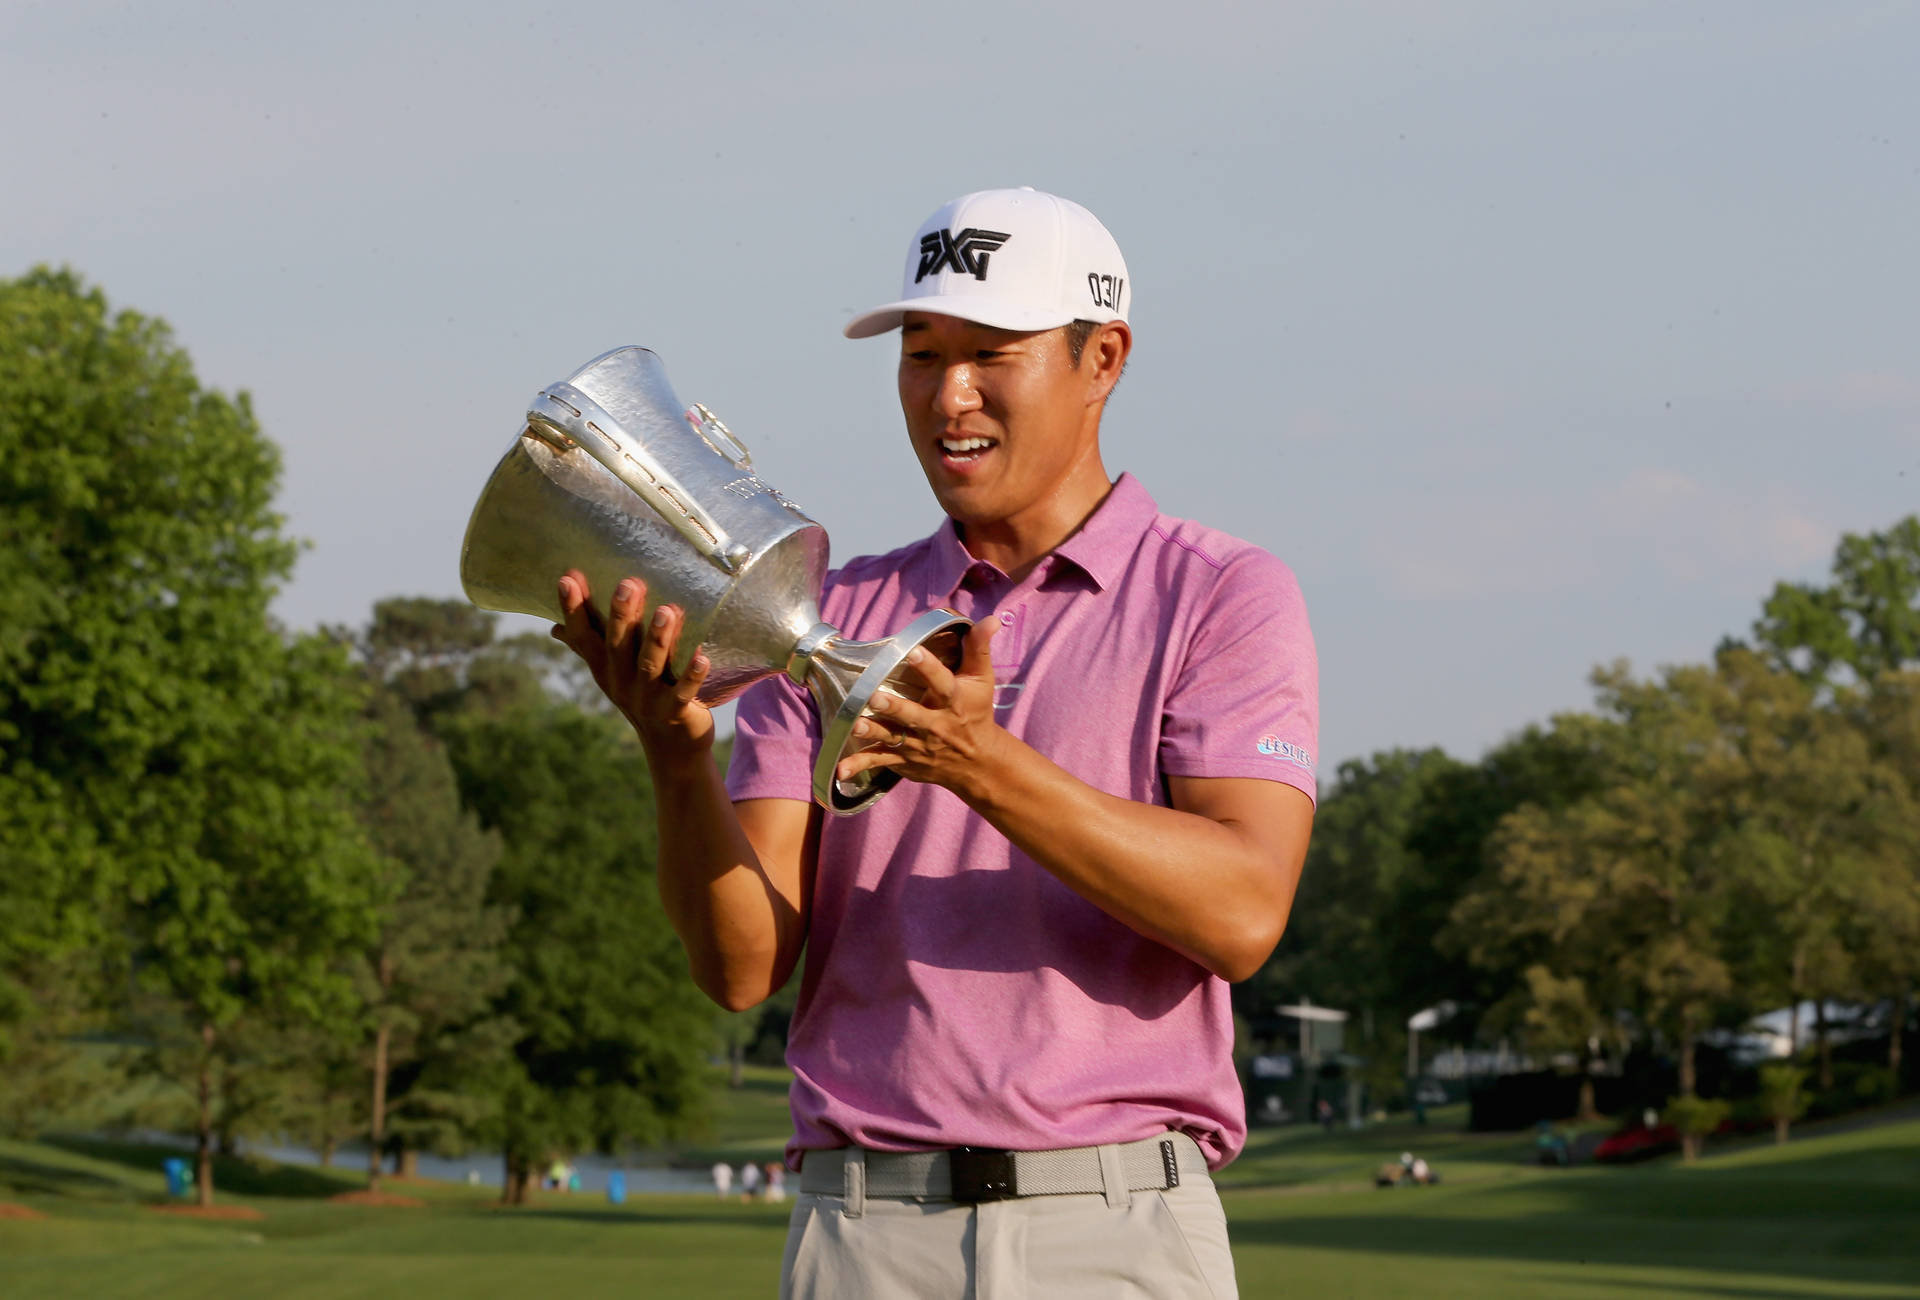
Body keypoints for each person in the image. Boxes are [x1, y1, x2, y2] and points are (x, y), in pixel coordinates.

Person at [552, 187, 1317, 1298]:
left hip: (1114, 1227)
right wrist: (677, 757)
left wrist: (979, 762)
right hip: (863, 1231)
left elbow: (1242, 912)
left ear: (1102, 359)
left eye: (991, 352)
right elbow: (742, 965)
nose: (948, 394)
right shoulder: (817, 614)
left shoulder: (1221, 595)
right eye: (921, 354)